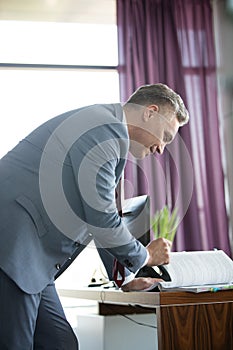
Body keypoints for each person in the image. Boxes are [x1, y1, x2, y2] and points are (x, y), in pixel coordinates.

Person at [0, 83, 189, 349]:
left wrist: (126, 278)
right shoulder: (104, 130)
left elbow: (96, 218)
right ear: (150, 112)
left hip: (33, 262)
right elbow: (101, 217)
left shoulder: (108, 132)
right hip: (13, 250)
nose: (161, 148)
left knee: (61, 343)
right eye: (166, 136)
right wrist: (146, 256)